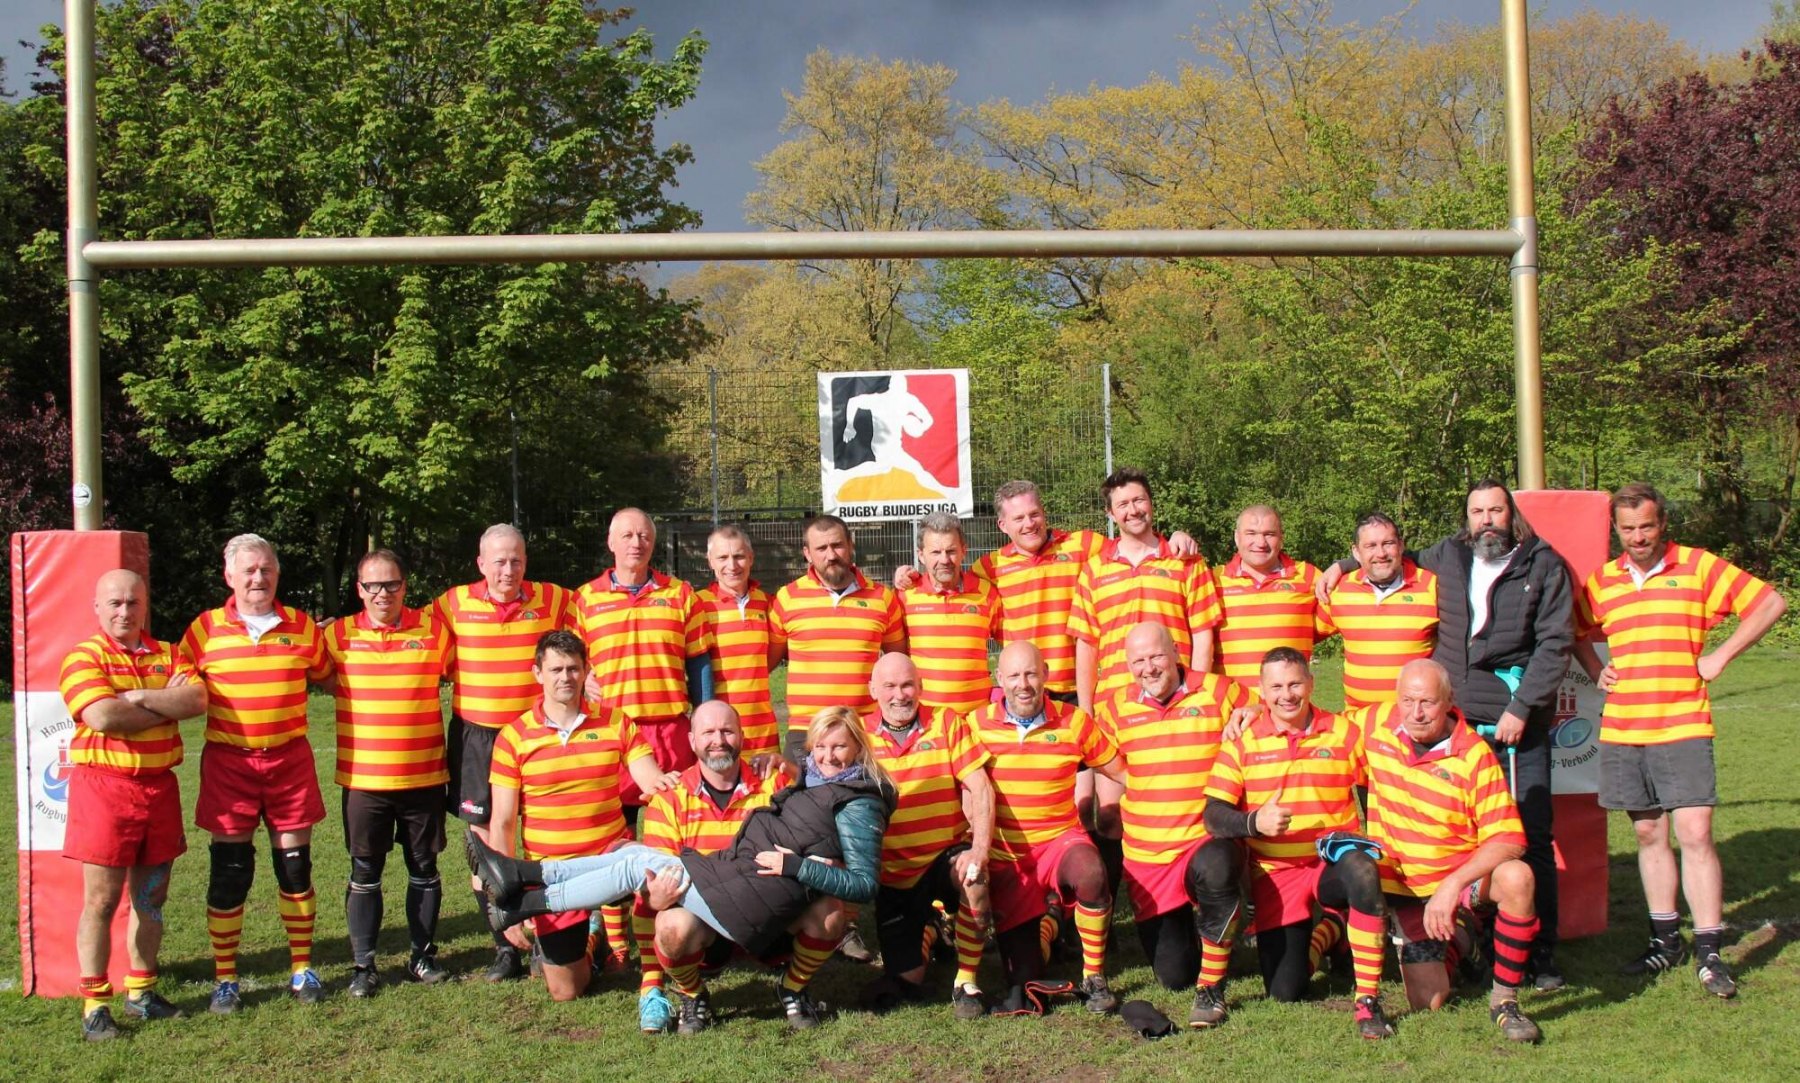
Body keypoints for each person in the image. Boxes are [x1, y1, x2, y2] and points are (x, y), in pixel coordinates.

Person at [472, 705, 896, 1034]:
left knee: (634, 861)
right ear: (691, 741)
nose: (827, 756)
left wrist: (800, 865)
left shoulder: (853, 797)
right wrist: (790, 769)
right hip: (736, 884)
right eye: (820, 747)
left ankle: (523, 892)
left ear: (858, 748)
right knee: (634, 862)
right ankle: (523, 887)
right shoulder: (812, 780)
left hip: (754, 899)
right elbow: (811, 805)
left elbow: (862, 879)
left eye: (839, 747)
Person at [1321, 482, 1573, 987]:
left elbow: (1555, 643)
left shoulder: (1542, 563)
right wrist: (1343, 565)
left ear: (1511, 513)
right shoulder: (1451, 556)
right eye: (1477, 511)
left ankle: (1537, 953)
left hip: (1508, 722)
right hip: (1414, 733)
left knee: (1525, 837)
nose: (1486, 519)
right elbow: (1387, 554)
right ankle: (1435, 934)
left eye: (1495, 510)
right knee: (1412, 839)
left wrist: (1523, 707)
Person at [1574, 483, 1787, 999]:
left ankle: (1709, 951)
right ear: (1616, 530)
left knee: (1695, 833)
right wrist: (1596, 669)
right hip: (1624, 727)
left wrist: (1721, 656)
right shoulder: (1603, 580)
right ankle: (1665, 941)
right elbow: (1574, 630)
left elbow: (1770, 603)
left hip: (1684, 723)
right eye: (1628, 529)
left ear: (1662, 523)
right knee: (1649, 834)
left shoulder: (1697, 566)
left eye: (1646, 526)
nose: (1638, 536)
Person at [1195, 647, 1386, 1036]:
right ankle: (1332, 929)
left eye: (1295, 684)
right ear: (1262, 692)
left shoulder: (1345, 733)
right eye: (1277, 687)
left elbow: (1378, 790)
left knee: (1361, 869)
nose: (1287, 695)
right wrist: (1254, 821)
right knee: (1285, 990)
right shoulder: (1243, 739)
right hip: (1275, 871)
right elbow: (1213, 814)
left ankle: (1368, 1002)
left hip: (1330, 860)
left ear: (1311, 684)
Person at [182, 534, 334, 1012]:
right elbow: (179, 684)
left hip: (289, 761)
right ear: (229, 576)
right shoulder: (203, 630)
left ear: (277, 574)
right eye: (248, 570)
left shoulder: (303, 628)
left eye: (266, 569)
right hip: (230, 764)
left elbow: (329, 674)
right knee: (230, 872)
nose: (258, 578)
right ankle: (226, 978)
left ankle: (302, 968)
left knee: (295, 868)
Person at [1356, 660, 1544, 1043]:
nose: (1416, 713)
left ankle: (1505, 1002)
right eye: (1407, 701)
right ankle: (1461, 942)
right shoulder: (1374, 724)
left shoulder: (1474, 754)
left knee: (1518, 877)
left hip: (1458, 884)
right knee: (1428, 1001)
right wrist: (1250, 713)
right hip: (1405, 889)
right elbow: (1313, 721)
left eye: (1427, 702)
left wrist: (1451, 886)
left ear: (1448, 701)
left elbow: (1510, 840)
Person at [485, 631, 678, 1002]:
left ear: (586, 671)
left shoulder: (616, 722)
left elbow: (649, 778)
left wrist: (668, 783)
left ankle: (672, 963)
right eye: (556, 669)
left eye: (574, 668)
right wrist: (505, 900)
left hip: (611, 856)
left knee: (657, 871)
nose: (566, 677)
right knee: (565, 991)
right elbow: (503, 823)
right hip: (551, 872)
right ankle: (593, 938)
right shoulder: (513, 737)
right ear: (537, 673)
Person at [59, 570, 208, 1040]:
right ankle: (95, 1004)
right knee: (102, 900)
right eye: (115, 603)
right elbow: (103, 715)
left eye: (133, 602)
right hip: (104, 788)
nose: (125, 611)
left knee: (151, 897)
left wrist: (140, 698)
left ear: (146, 605)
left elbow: (197, 699)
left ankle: (141, 991)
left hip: (159, 788)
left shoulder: (169, 652)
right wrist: (165, 704)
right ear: (97, 607)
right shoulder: (84, 656)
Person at [430, 523, 577, 981]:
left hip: (534, 734)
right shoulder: (451, 604)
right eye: (498, 561)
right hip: (476, 736)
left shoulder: (555, 599)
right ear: (481, 564)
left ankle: (543, 936)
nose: (508, 569)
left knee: (540, 835)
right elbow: (409, 635)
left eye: (516, 560)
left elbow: (594, 626)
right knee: (484, 844)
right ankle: (503, 945)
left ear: (526, 562)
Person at [1072, 469, 1222, 894]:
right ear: (1110, 514)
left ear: (1151, 504)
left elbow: (1202, 633)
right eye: (1123, 504)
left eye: (1139, 500)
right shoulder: (1094, 570)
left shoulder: (1186, 561)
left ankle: (1189, 895)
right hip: (1115, 711)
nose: (1133, 510)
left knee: (1183, 807)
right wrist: (1086, 710)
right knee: (1110, 814)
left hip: (1176, 706)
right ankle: (1108, 904)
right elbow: (1086, 643)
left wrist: (1200, 694)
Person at [1091, 622, 1247, 1020]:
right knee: (1174, 976)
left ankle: (1211, 986)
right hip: (1149, 855)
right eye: (1138, 661)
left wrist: (1251, 712)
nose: (1149, 668)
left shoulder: (1219, 690)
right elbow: (1099, 756)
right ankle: (1205, 933)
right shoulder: (1114, 706)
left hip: (1202, 838)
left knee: (1218, 867)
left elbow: (1266, 709)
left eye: (1156, 656)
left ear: (1176, 652)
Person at [322, 549, 453, 997]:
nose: (383, 593)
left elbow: (468, 670)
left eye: (391, 584)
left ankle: (422, 956)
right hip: (364, 781)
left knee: (424, 867)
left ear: (404, 586)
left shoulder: (434, 631)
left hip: (424, 777)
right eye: (373, 585)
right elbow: (311, 671)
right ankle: (364, 966)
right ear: (359, 589)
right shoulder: (337, 635)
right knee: (365, 870)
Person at [969, 642, 1126, 1011]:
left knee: (1091, 872)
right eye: (1014, 675)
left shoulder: (1074, 721)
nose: (1023, 684)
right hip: (1008, 857)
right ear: (999, 678)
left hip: (1060, 841)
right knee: (1023, 977)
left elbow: (1122, 772)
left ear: (1046, 675)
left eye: (1031, 674)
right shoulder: (976, 725)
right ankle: (1053, 920)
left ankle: (1094, 976)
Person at [632, 700, 791, 1033]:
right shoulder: (670, 796)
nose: (718, 740)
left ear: (742, 736)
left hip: (766, 915)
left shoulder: (774, 783)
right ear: (692, 741)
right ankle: (692, 994)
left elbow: (820, 789)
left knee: (828, 910)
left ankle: (796, 988)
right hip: (705, 918)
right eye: (708, 732)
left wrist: (788, 765)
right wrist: (656, 897)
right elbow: (658, 881)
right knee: (670, 925)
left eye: (727, 731)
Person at [861, 652, 1005, 1018]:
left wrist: (980, 851)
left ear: (921, 687)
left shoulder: (947, 722)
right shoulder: (858, 735)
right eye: (889, 686)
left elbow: (980, 787)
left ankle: (966, 981)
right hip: (894, 873)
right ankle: (932, 928)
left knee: (974, 876)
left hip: (945, 855)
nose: (900, 695)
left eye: (907, 685)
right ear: (872, 689)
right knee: (907, 982)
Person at [770, 514, 906, 723]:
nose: (831, 555)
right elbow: (766, 662)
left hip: (864, 726)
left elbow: (899, 661)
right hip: (807, 728)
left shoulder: (882, 597)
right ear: (807, 553)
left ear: (851, 545)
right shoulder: (787, 597)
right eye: (821, 548)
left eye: (837, 545)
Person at [1320, 513, 1439, 709]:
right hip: (1359, 718)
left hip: (1415, 718)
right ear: (1356, 552)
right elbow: (1299, 634)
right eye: (1371, 546)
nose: (1381, 553)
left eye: (1388, 543)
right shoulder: (1338, 590)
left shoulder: (1432, 586)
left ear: (1401, 546)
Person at [1211, 506, 1330, 698]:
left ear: (1281, 538)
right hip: (1230, 706)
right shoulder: (1213, 580)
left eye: (1269, 534)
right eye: (1251, 533)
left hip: (1287, 704)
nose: (1260, 542)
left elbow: (1344, 615)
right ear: (1236, 537)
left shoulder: (1308, 576)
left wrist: (1342, 565)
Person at [898, 512, 1002, 716]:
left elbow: (1010, 643)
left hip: (976, 718)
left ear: (964, 551)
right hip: (926, 720)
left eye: (951, 551)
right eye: (936, 552)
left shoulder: (986, 593)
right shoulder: (905, 596)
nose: (944, 559)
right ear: (921, 555)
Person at [695, 525, 780, 758]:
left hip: (762, 728)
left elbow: (770, 657)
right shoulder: (698, 605)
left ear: (751, 558)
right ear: (710, 561)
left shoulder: (767, 603)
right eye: (723, 557)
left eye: (739, 556)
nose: (732, 566)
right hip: (718, 732)